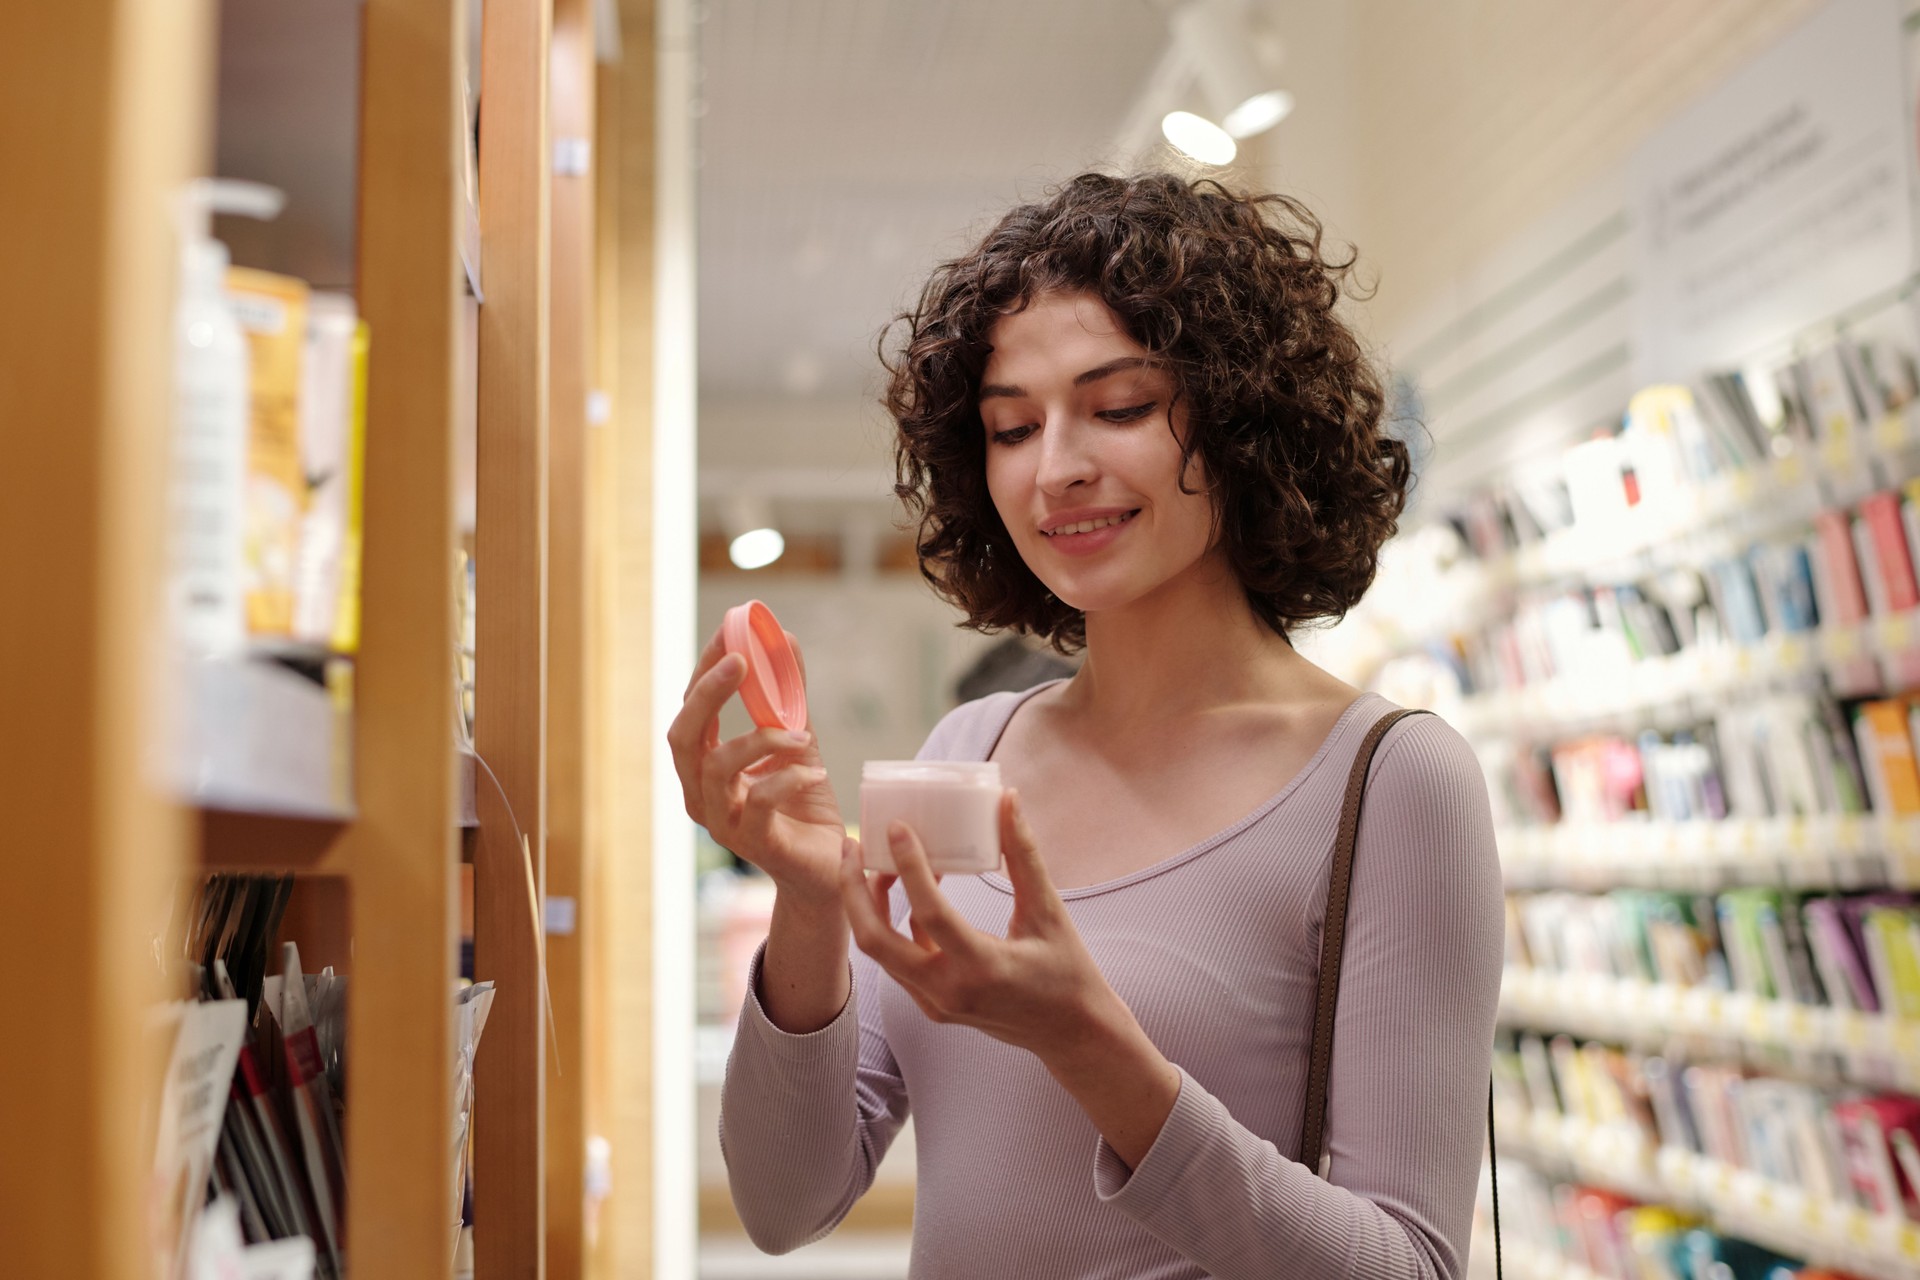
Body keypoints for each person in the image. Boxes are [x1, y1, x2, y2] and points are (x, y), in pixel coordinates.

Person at [668, 172, 1504, 1280]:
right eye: (1013, 426)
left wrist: (1087, 1040)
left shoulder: (1388, 783)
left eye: (1118, 407)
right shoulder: (969, 754)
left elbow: (1411, 1267)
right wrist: (811, 903)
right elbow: (783, 1202)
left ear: (1246, 420)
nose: (1056, 466)